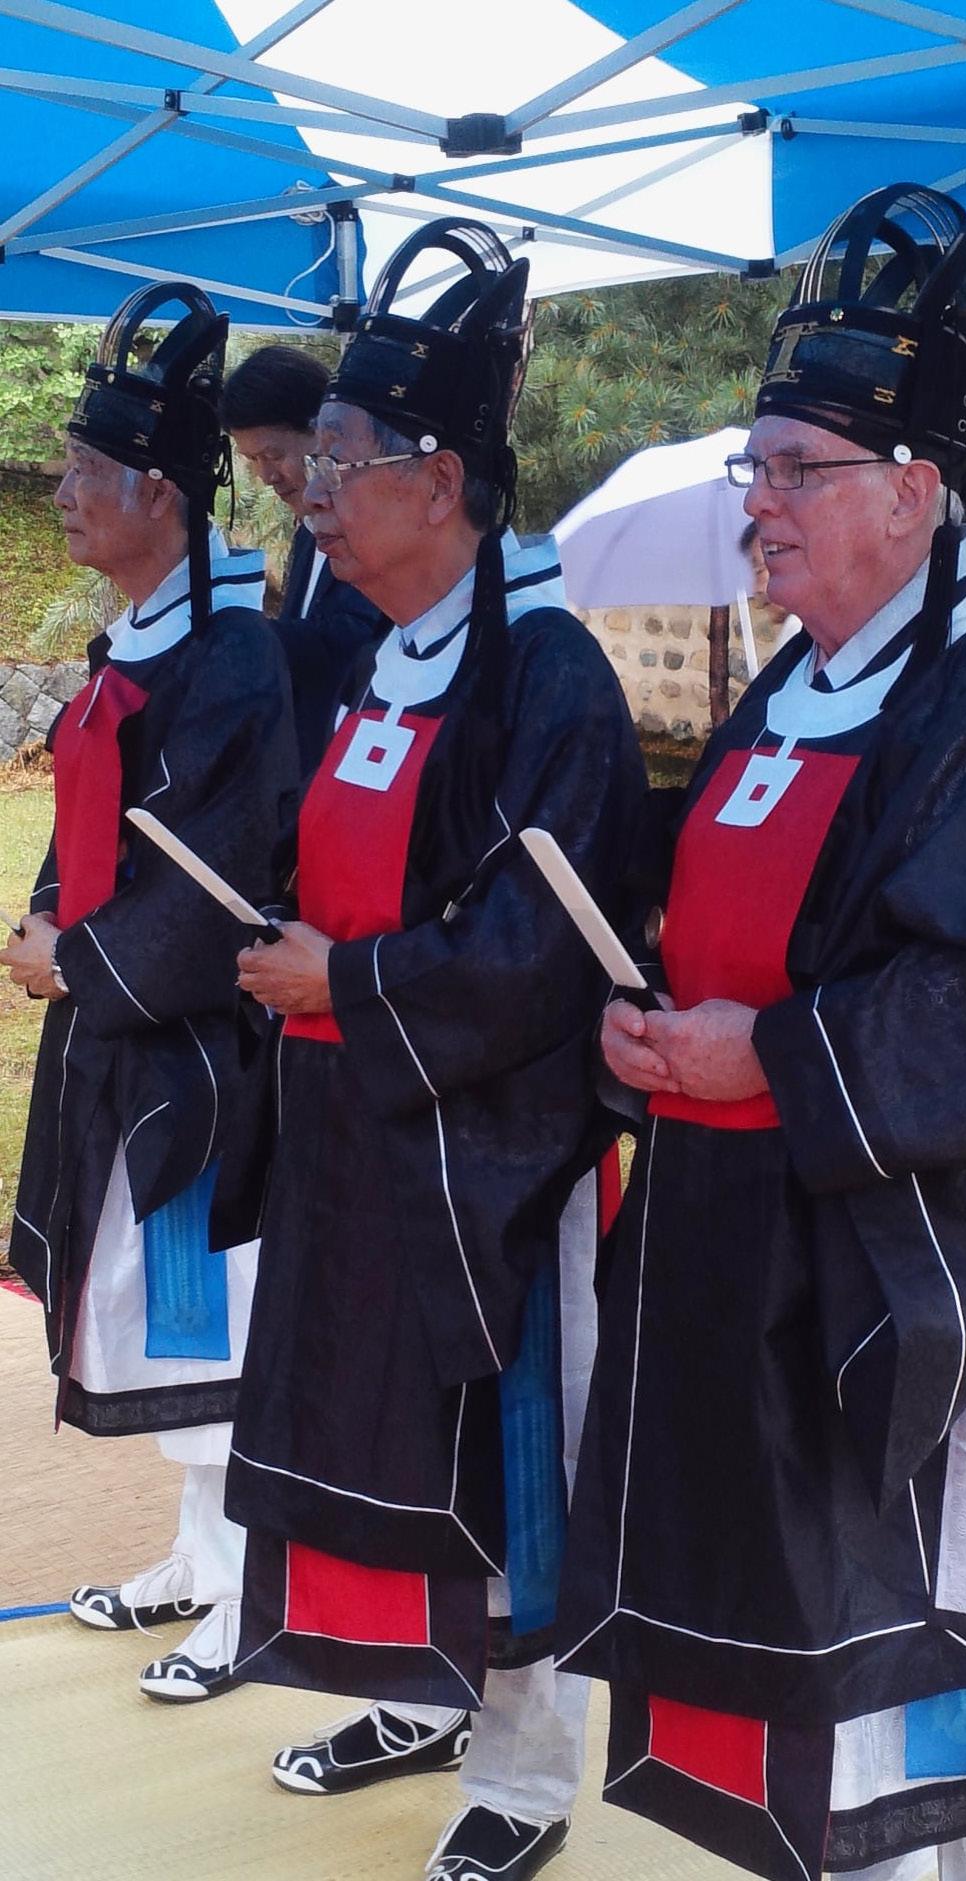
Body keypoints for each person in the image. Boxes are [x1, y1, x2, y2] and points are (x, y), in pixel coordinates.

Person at [557, 185, 966, 1881]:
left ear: (912, 492)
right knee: (787, 1665)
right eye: (751, 473)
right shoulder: (783, 688)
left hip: (894, 1265)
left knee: (905, 1688)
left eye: (793, 471)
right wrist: (653, 1015)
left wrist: (770, 1056)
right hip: (734, 1239)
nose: (756, 506)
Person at [220, 218, 646, 1881]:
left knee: (503, 1456)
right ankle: (410, 1688)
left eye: (340, 459)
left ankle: (526, 1772)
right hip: (354, 1118)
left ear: (443, 478)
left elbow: (542, 942)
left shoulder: (547, 676)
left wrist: (348, 977)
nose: (312, 492)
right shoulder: (378, 654)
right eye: (311, 460)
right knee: (372, 1433)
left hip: (487, 1151)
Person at [0, 283, 297, 1703]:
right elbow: (98, 817)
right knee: (154, 1308)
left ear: (162, 496)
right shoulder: (134, 642)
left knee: (209, 1314)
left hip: (202, 1055)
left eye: (85, 473)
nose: (62, 494)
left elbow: (218, 869)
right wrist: (47, 907)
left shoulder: (237, 659)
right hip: (123, 1034)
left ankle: (248, 1590)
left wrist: (79, 959)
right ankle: (196, 1550)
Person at [221, 344, 386, 774]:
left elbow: (351, 646)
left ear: (321, 433)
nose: (267, 476)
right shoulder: (307, 535)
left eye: (274, 455)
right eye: (253, 461)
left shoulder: (369, 532)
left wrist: (244, 636)